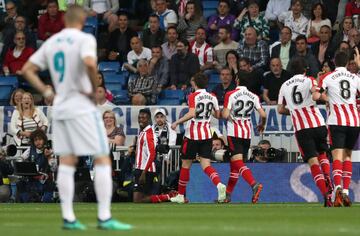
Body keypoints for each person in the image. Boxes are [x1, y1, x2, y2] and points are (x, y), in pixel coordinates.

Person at [21, 5, 132, 230]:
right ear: (81, 21)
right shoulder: (84, 40)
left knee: (67, 162)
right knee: (101, 157)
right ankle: (103, 216)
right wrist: (93, 85)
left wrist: (46, 91)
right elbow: (91, 65)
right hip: (81, 105)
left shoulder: (53, 43)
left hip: (61, 106)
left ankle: (69, 218)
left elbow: (27, 70)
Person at [278, 57, 333, 207]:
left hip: (302, 129)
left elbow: (280, 109)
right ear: (305, 69)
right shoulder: (309, 80)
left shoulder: (284, 86)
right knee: (323, 155)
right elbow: (317, 95)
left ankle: (326, 196)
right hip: (317, 123)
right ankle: (328, 178)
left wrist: (295, 111)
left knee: (313, 162)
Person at [170, 73, 227, 203]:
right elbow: (218, 115)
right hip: (207, 135)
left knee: (186, 164)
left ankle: (180, 195)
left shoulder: (193, 96)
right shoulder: (212, 96)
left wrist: (177, 122)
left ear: (195, 83)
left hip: (192, 135)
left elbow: (191, 113)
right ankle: (219, 184)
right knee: (206, 164)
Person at [313, 51, 360, 207]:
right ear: (348, 62)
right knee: (347, 156)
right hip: (353, 122)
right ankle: (346, 192)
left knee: (337, 157)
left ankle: (337, 189)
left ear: (333, 61)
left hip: (336, 121)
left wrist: (322, 90)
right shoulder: (355, 78)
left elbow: (317, 96)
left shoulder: (328, 77)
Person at [222, 77, 266, 203]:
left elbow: (225, 115)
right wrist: (262, 124)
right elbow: (263, 114)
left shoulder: (230, 94)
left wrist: (228, 116)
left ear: (237, 80)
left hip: (234, 133)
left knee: (238, 163)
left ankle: (254, 184)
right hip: (247, 133)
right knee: (234, 166)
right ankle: (227, 195)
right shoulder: (254, 96)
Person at [131, 109, 177, 203]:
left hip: (145, 170)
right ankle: (168, 196)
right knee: (142, 198)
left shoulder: (149, 134)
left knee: (138, 200)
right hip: (140, 168)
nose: (141, 120)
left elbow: (152, 154)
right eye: (140, 117)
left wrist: (143, 173)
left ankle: (169, 196)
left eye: (144, 118)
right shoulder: (143, 132)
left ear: (148, 119)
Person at [17, 129, 56, 203]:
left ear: (44, 140)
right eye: (36, 140)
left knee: (51, 185)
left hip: (44, 180)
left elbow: (54, 168)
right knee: (20, 184)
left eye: (40, 139)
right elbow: (20, 159)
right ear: (33, 142)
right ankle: (28, 202)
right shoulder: (30, 149)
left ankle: (45, 201)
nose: (38, 142)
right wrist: (23, 162)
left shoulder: (50, 151)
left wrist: (49, 157)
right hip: (32, 180)